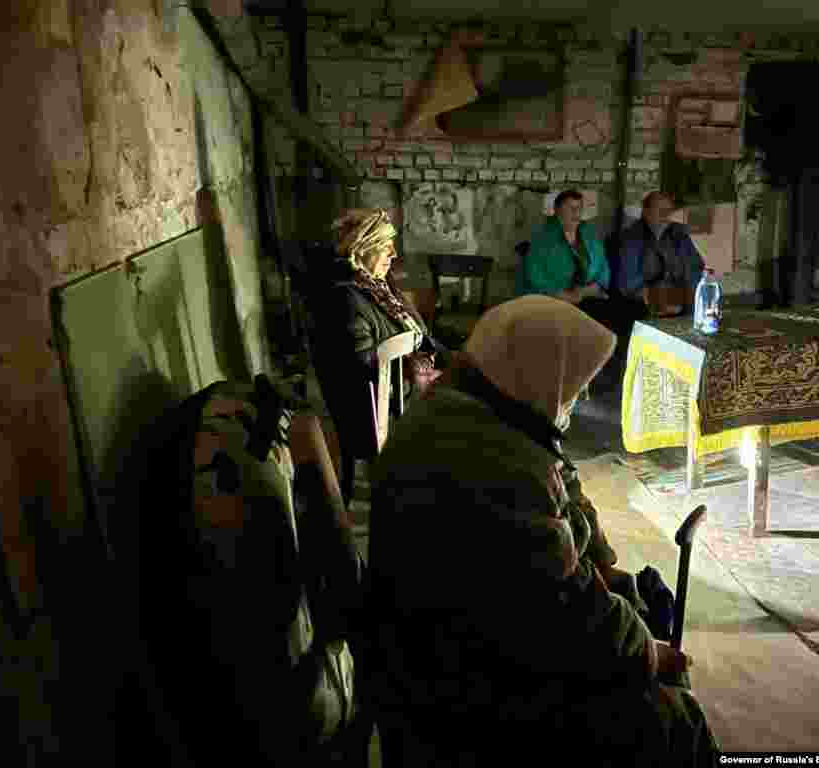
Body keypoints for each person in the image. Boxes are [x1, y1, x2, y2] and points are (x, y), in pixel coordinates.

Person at [366, 295, 720, 765]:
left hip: (460, 653)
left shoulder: (480, 412)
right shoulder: (491, 456)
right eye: (574, 384)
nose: (579, 396)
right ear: (535, 370)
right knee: (671, 717)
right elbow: (564, 614)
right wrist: (649, 656)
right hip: (461, 694)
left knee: (636, 603)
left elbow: (563, 495)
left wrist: (605, 569)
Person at [307, 208, 447, 500]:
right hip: (374, 413)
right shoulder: (343, 298)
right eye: (385, 246)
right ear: (361, 250)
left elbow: (422, 337)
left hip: (402, 396)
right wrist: (414, 367)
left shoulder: (380, 286)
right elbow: (359, 368)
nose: (393, 254)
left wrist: (458, 359)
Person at [516, 189, 615, 328]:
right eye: (571, 208)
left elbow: (603, 265)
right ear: (557, 210)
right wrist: (563, 295)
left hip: (587, 295)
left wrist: (595, 286)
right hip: (554, 299)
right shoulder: (542, 238)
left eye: (579, 208)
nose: (576, 213)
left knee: (610, 319)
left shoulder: (588, 233)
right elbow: (534, 276)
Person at [611, 190, 706, 320]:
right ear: (646, 211)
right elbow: (627, 283)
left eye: (668, 211)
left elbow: (696, 267)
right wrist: (653, 296)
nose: (665, 215)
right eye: (659, 209)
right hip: (646, 307)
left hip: (681, 304)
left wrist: (688, 297)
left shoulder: (678, 233)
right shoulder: (631, 237)